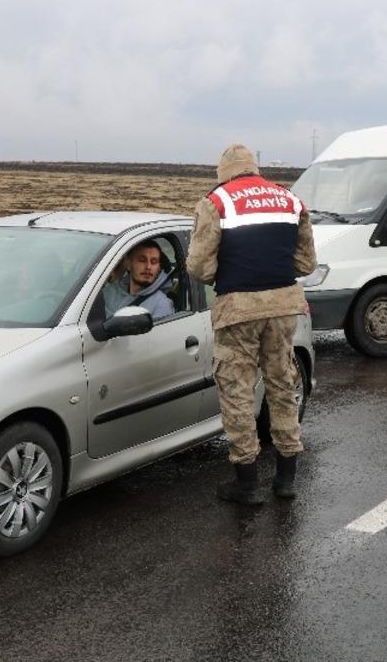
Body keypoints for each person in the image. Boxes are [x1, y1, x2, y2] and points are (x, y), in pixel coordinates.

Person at [187, 143, 317, 503]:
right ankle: (286, 479)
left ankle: (246, 484)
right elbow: (306, 264)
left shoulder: (216, 202)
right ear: (255, 169)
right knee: (282, 385)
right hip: (282, 307)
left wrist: (233, 272)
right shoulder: (290, 200)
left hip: (237, 309)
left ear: (223, 172)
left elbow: (199, 268)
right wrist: (272, 270)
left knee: (237, 391)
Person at [101, 240, 175, 320]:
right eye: (142, 260)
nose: (148, 267)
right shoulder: (109, 292)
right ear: (129, 265)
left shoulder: (162, 305)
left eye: (154, 262)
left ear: (158, 268)